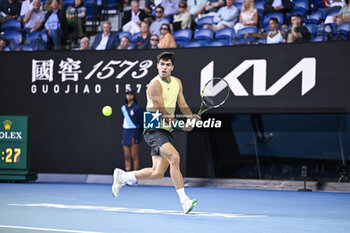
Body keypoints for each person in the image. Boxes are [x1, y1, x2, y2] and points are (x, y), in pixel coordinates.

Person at [112, 52, 200, 214]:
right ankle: (184, 201)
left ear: (172, 67)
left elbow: (182, 103)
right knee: (175, 157)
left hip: (165, 130)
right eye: (162, 64)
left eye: (168, 65)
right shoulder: (154, 85)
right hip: (153, 128)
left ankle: (123, 177)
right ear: (157, 66)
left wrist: (191, 117)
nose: (164, 67)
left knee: (157, 172)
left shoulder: (177, 82)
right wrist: (182, 125)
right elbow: (161, 111)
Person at [121, 89, 143, 184]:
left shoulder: (137, 108)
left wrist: (140, 132)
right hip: (126, 132)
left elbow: (141, 122)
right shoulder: (123, 108)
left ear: (133, 96)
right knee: (127, 155)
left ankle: (134, 178)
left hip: (134, 132)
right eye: (127, 94)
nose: (129, 96)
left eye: (131, 94)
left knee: (134, 155)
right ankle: (127, 177)